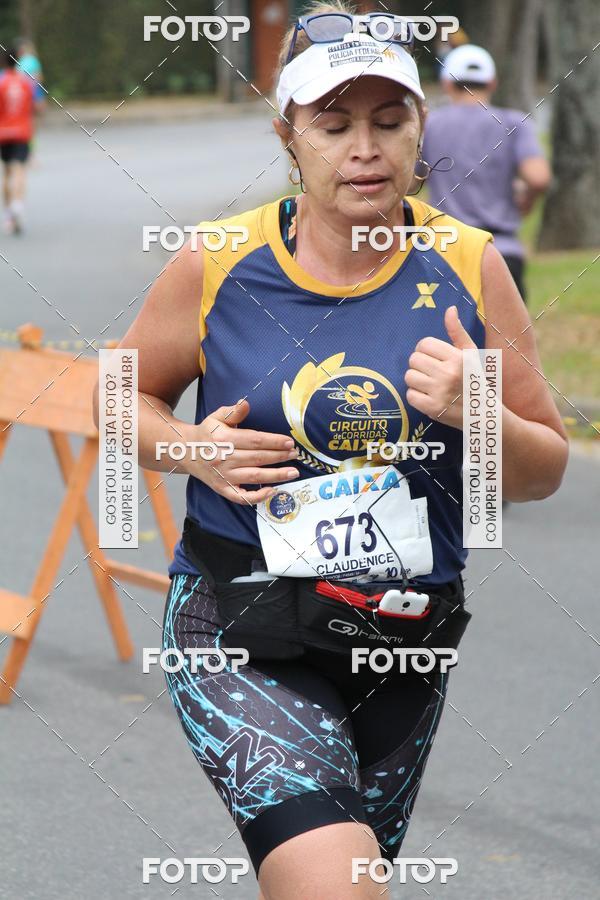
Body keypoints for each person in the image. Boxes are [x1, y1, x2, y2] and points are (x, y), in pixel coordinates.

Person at [93, 3, 568, 896]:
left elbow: (543, 468)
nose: (365, 148)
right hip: (240, 627)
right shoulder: (220, 260)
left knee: (348, 877)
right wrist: (191, 447)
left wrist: (484, 416)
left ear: (420, 129)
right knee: (335, 881)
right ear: (289, 135)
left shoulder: (468, 265)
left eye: (389, 121)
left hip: (400, 639)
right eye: (334, 122)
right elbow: (118, 396)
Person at [421, 44, 551, 303]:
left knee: (446, 340)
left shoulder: (430, 125)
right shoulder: (515, 123)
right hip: (501, 252)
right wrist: (527, 201)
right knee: (502, 342)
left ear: (447, 83)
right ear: (492, 83)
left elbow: (409, 179)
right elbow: (538, 177)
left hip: (446, 250)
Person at [0, 47, 44, 234]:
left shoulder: (1, 82)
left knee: (7, 172)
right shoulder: (27, 84)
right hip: (22, 133)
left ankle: (10, 215)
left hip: (3, 133)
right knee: (19, 170)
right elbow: (39, 107)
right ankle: (18, 205)